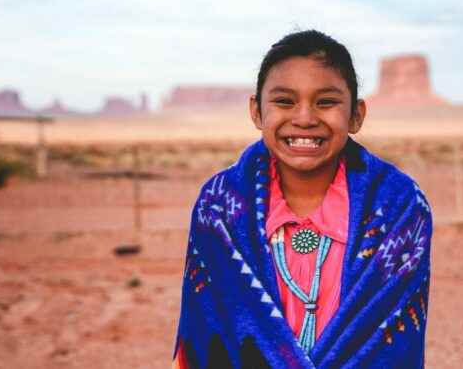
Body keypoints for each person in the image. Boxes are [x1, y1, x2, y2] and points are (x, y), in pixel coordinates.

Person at [172, 30, 432, 369]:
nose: (305, 118)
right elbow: (206, 333)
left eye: (326, 102)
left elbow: (394, 347)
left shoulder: (401, 209)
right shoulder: (219, 208)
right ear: (256, 111)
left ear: (356, 115)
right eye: (284, 101)